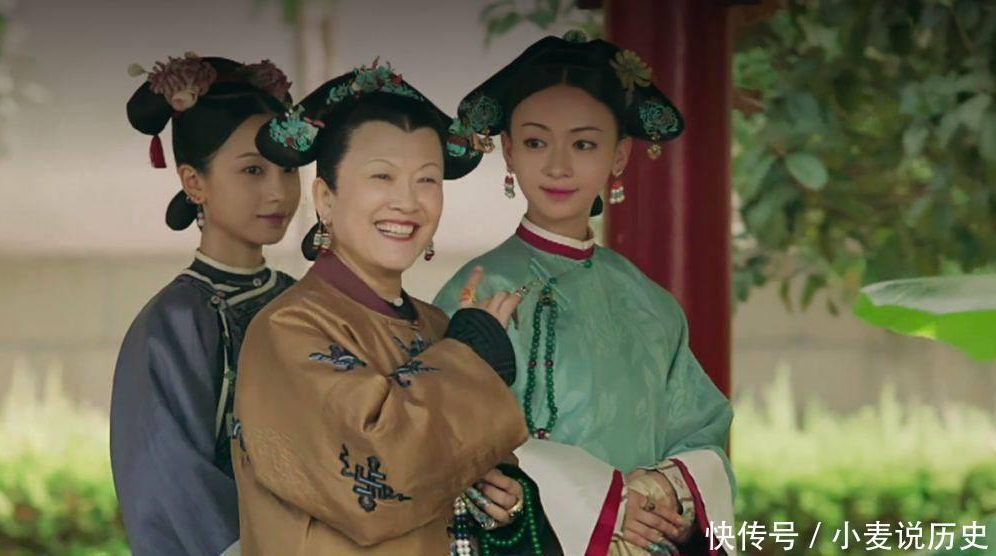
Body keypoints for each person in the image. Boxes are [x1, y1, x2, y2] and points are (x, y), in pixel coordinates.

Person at [233, 60, 560, 555]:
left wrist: (508, 506)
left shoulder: (438, 326)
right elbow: (378, 476)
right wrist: (472, 355)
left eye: (427, 180)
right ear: (325, 198)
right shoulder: (286, 330)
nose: (407, 202)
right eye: (382, 176)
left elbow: (480, 473)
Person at [434, 32, 737, 556]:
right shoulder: (477, 291)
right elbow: (450, 441)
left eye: (584, 144)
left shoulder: (652, 304)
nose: (558, 166)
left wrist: (659, 490)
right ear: (509, 151)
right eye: (536, 142)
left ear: (619, 155)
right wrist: (605, 502)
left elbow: (703, 428)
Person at [111, 53, 300, 556]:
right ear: (194, 181)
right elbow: (173, 481)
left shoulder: (305, 299)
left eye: (287, 169)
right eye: (253, 170)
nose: (278, 191)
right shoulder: (173, 323)